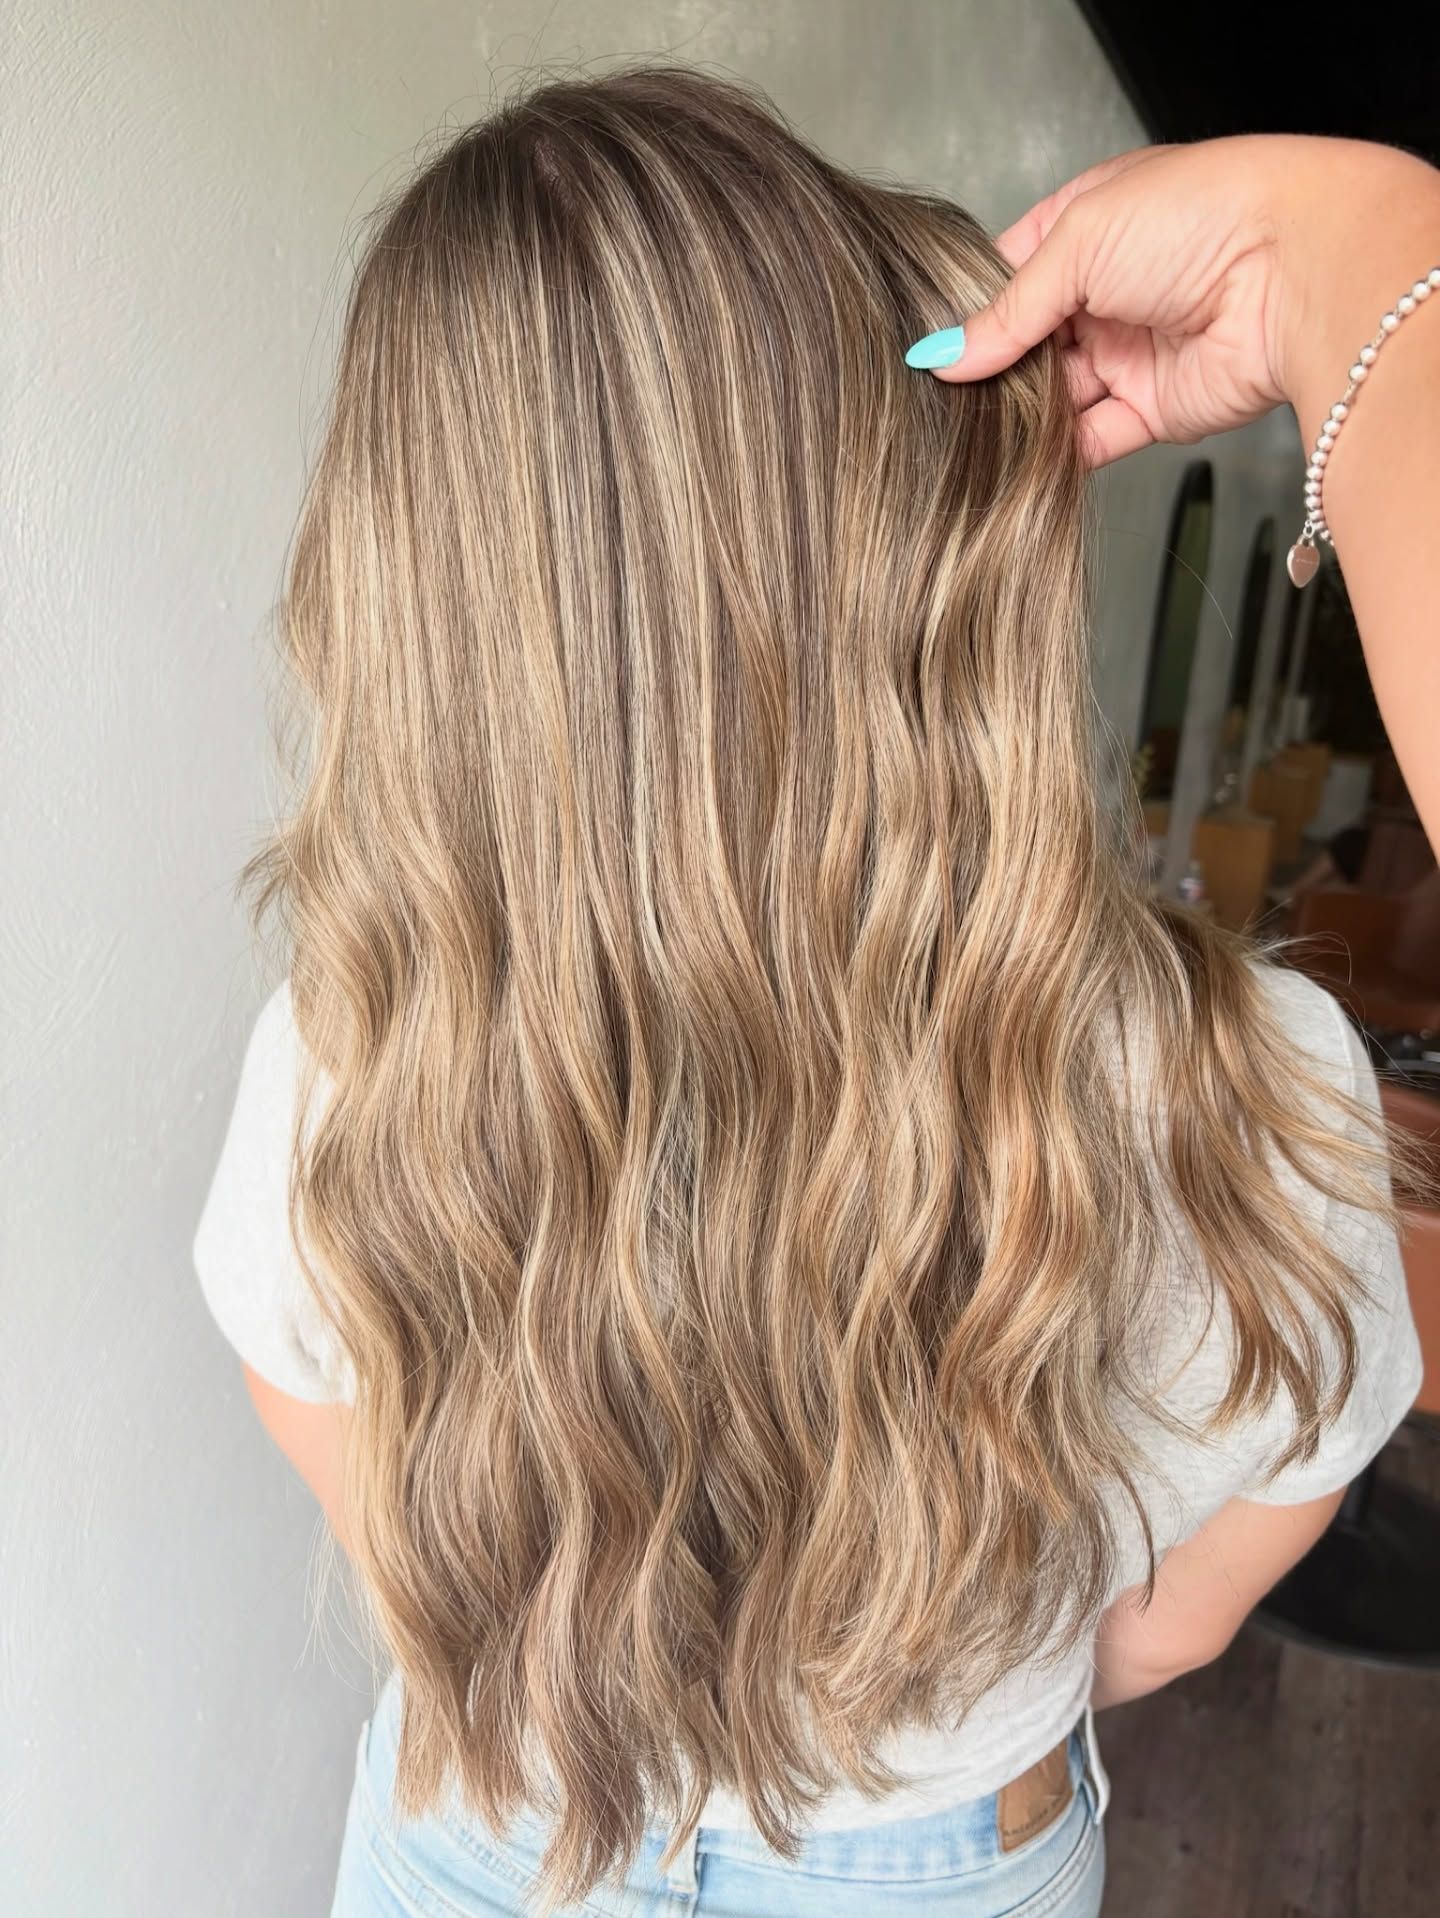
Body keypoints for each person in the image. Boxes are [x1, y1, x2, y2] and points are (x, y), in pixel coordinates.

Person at [191, 67, 1435, 1918]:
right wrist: (1377, 251)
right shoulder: (1233, 1076)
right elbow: (1262, 1514)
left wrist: (537, 1652)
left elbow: (296, 1378)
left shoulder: (363, 1042)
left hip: (476, 1836)